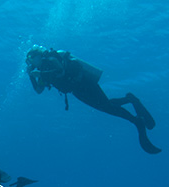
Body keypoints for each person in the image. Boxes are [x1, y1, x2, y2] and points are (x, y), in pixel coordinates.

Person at [25, 45, 161, 154]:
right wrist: (31, 76)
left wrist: (40, 73)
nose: (31, 62)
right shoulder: (41, 72)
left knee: (106, 107)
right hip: (77, 91)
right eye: (29, 61)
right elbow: (38, 90)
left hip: (84, 83)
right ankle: (130, 100)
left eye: (32, 58)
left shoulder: (50, 59)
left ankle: (137, 121)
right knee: (105, 106)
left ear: (38, 55)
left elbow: (60, 71)